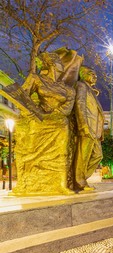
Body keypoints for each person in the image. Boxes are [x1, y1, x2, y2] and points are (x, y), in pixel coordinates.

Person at [5, 50, 82, 195]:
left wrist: (48, 116)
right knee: (28, 127)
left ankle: (61, 184)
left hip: (57, 119)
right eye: (59, 66)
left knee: (63, 125)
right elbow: (22, 96)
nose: (61, 69)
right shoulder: (36, 79)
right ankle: (26, 180)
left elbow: (66, 109)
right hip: (36, 116)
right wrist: (30, 111)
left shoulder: (68, 90)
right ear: (52, 65)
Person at [73, 66, 104, 192]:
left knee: (98, 155)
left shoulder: (91, 90)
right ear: (83, 74)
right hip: (87, 127)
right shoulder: (81, 86)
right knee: (83, 155)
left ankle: (81, 178)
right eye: (92, 74)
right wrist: (83, 125)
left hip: (95, 130)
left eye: (95, 74)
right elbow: (79, 105)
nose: (95, 76)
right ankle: (79, 181)